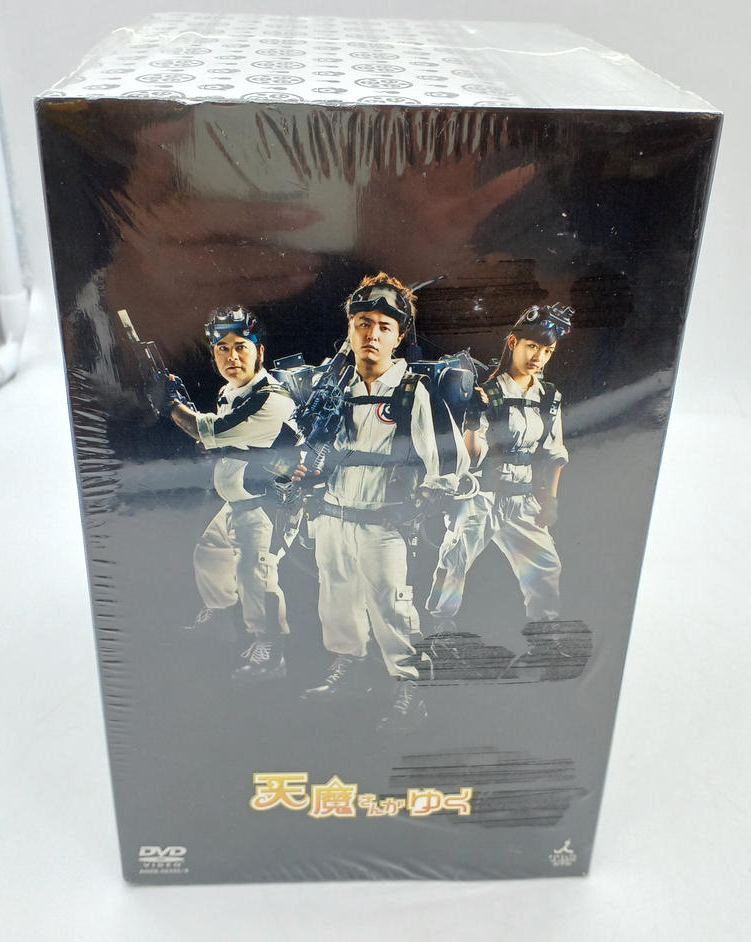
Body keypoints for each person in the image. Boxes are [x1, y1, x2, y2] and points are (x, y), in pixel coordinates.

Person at [299, 272, 472, 729]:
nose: (371, 334)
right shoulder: (332, 388)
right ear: (349, 329)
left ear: (399, 337)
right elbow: (310, 448)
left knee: (391, 607)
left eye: (383, 326)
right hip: (333, 515)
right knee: (337, 600)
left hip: (384, 521)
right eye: (362, 323)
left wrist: (426, 501)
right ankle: (349, 668)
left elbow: (449, 460)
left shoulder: (413, 390)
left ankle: (409, 685)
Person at [424, 303, 574, 676]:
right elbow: (472, 453)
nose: (539, 357)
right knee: (455, 558)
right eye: (532, 347)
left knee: (545, 565)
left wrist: (550, 499)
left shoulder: (549, 396)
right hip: (484, 493)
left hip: (523, 496)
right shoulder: (486, 393)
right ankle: (440, 633)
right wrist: (472, 419)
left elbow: (554, 454)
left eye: (547, 351)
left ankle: (545, 640)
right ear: (513, 343)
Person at [164, 307, 299, 682]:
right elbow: (232, 440)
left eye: (241, 346)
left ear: (259, 351)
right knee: (210, 554)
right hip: (237, 501)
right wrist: (216, 443)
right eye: (222, 348)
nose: (231, 356)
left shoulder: (270, 399)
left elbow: (210, 429)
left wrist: (171, 405)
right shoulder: (232, 392)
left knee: (256, 577)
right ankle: (221, 617)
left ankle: (271, 651)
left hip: (267, 504)